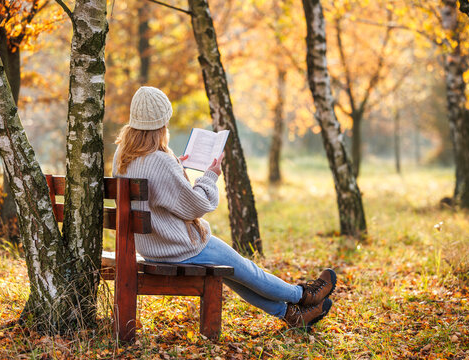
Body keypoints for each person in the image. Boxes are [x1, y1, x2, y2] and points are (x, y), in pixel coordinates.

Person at [112, 86, 336, 331]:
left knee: (233, 272)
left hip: (151, 247)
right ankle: (303, 295)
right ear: (162, 124)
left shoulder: (123, 156)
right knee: (247, 269)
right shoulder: (160, 161)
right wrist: (210, 175)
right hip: (179, 247)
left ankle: (291, 315)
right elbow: (195, 207)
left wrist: (176, 166)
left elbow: (158, 188)